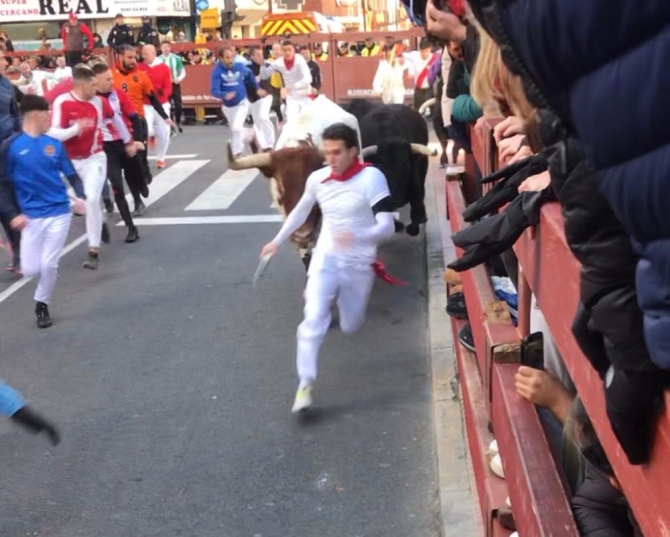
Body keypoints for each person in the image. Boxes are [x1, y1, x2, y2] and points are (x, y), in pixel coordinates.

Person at [259, 123, 396, 413]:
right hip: (326, 258)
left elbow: (387, 227)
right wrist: (277, 241)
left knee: (350, 324)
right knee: (313, 318)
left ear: (353, 151)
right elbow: (301, 210)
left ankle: (346, 311)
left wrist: (358, 236)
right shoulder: (318, 178)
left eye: (337, 153)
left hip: (358, 263)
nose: (330, 159)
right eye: (327, 152)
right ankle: (305, 384)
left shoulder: (372, 178)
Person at [0, 95, 86, 327]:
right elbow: (2, 183)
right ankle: (40, 286)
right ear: (37, 115)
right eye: (47, 114)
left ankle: (42, 305)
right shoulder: (12, 147)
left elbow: (71, 175)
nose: (50, 119)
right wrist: (12, 214)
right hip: (30, 217)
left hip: (59, 212)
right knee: (29, 269)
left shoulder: (54, 145)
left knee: (49, 264)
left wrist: (81, 197)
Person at [50, 65, 135, 270]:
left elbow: (116, 118)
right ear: (83, 84)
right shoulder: (63, 102)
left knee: (92, 198)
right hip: (70, 162)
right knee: (74, 202)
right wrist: (76, 129)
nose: (97, 89)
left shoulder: (99, 102)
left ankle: (93, 250)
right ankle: (100, 218)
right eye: (93, 85)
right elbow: (54, 133)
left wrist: (129, 141)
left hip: (94, 158)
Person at [113, 44, 173, 216]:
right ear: (120, 57)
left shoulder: (141, 76)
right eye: (130, 57)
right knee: (128, 164)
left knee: (138, 160)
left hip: (138, 123)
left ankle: (144, 171)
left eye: (135, 57)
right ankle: (138, 201)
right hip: (118, 126)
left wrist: (164, 116)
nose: (134, 61)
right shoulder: (110, 76)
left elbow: (153, 99)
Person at [91, 62, 145, 243]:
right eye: (107, 79)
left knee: (136, 179)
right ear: (95, 81)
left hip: (125, 142)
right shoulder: (91, 99)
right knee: (118, 188)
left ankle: (139, 195)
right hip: (107, 148)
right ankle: (131, 227)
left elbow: (134, 118)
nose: (111, 81)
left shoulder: (118, 95)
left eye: (112, 78)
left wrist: (136, 140)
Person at [210, 46, 263, 158]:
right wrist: (224, 95)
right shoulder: (217, 72)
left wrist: (257, 88)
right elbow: (214, 90)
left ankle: (237, 153)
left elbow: (250, 75)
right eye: (227, 58)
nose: (230, 60)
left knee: (236, 128)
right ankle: (251, 135)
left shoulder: (239, 67)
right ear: (221, 58)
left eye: (231, 57)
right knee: (236, 130)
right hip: (227, 106)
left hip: (242, 103)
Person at [0, 47, 22, 273]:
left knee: (7, 200)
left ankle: (19, 253)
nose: (5, 62)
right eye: (1, 59)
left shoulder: (6, 85)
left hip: (5, 147)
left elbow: (16, 114)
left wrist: (18, 137)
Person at [137, 44, 172, 169]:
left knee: (164, 132)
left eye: (146, 53)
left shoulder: (164, 68)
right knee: (145, 129)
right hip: (145, 103)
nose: (143, 56)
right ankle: (151, 136)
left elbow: (168, 86)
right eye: (143, 53)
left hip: (161, 103)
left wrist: (164, 93)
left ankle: (160, 157)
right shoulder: (139, 67)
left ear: (153, 53)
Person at [261, 41, 312, 122]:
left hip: (304, 95)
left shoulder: (299, 59)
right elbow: (264, 75)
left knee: (306, 121)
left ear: (294, 50)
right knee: (292, 121)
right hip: (291, 98)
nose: (287, 53)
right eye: (285, 50)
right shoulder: (278, 62)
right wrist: (261, 64)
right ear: (282, 51)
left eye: (289, 50)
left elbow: (308, 79)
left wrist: (288, 88)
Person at [0, 380, 59, 445]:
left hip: (12, 406)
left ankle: (49, 429)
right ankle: (45, 429)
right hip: (12, 404)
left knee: (29, 419)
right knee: (26, 419)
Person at [247, 46, 275, 151]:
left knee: (263, 117)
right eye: (257, 55)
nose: (260, 57)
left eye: (261, 54)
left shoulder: (268, 65)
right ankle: (262, 144)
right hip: (253, 98)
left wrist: (259, 81)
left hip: (266, 95)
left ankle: (269, 144)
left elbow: (270, 80)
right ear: (252, 57)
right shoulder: (247, 68)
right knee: (257, 121)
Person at [159, 41, 186, 133]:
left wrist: (179, 78)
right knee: (167, 105)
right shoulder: (158, 60)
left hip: (174, 84)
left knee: (178, 105)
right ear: (161, 48)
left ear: (170, 48)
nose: (166, 49)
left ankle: (178, 121)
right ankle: (171, 125)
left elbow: (182, 71)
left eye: (167, 47)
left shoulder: (176, 58)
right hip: (164, 86)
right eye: (164, 47)